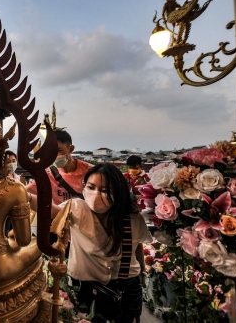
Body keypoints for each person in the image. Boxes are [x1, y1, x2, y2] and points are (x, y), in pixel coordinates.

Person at [61, 163, 151, 322]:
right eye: (91, 187)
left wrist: (143, 271)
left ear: (119, 192)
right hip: (89, 286)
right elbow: (50, 210)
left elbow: (136, 247)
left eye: (105, 190)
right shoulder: (77, 209)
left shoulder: (133, 218)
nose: (96, 194)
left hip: (129, 287)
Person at [26, 129, 92, 218]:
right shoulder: (47, 173)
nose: (55, 155)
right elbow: (25, 192)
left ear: (71, 149)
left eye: (59, 150)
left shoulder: (90, 171)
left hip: (84, 222)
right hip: (59, 223)